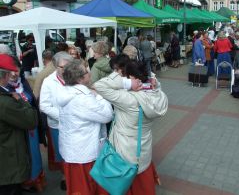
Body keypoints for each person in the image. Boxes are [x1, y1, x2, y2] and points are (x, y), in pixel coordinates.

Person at [94, 59, 168, 195]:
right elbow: (157, 89)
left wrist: (127, 83)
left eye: (124, 75)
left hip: (124, 152)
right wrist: (155, 85)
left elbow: (99, 85)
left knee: (125, 186)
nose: (122, 77)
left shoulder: (128, 99)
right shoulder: (158, 96)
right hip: (143, 149)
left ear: (133, 78)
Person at [57, 59, 113, 195]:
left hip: (73, 149)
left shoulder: (67, 92)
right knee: (85, 189)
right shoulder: (82, 99)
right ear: (80, 78)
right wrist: (100, 97)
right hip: (83, 153)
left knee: (78, 188)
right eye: (87, 71)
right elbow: (107, 115)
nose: (90, 73)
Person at [0, 54, 38, 195]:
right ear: (5, 75)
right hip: (8, 162)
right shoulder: (6, 101)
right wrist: (22, 101)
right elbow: (31, 121)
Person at [7, 57, 46, 192]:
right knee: (21, 157)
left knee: (34, 154)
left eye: (16, 70)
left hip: (31, 129)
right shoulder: (5, 89)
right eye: (10, 71)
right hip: (17, 131)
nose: (14, 74)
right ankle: (21, 182)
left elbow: (34, 104)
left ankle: (33, 180)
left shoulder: (24, 83)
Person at [39, 51, 73, 190]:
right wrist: (63, 115)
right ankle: (65, 176)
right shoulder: (48, 81)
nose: (66, 70)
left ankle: (75, 175)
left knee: (74, 151)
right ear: (55, 66)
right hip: (57, 124)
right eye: (62, 67)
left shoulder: (74, 77)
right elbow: (44, 105)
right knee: (61, 153)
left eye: (69, 66)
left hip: (75, 123)